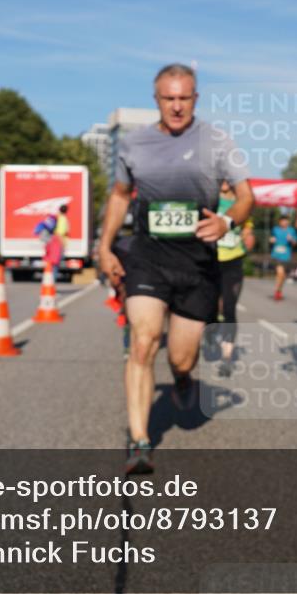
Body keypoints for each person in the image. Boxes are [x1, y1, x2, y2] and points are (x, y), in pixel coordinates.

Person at [97, 63, 253, 475]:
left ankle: (184, 379)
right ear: (157, 100)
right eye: (170, 98)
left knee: (182, 358)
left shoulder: (217, 142)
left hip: (198, 264)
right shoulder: (134, 144)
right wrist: (105, 245)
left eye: (185, 98)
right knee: (144, 341)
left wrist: (227, 222)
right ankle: (140, 440)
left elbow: (245, 196)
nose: (177, 106)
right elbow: (118, 195)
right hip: (148, 258)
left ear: (196, 98)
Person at [215, 181, 256, 374]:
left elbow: (248, 228)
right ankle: (211, 331)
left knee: (229, 308)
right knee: (211, 306)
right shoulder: (210, 199)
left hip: (233, 259)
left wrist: (247, 236)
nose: (223, 182)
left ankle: (226, 357)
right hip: (211, 260)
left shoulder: (243, 202)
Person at [269, 215, 297, 301]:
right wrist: (271, 240)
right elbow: (271, 238)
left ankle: (279, 290)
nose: (284, 222)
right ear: (279, 222)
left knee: (283, 275)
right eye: (282, 221)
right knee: (280, 272)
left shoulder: (291, 231)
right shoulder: (275, 229)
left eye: (286, 221)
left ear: (288, 222)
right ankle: (277, 291)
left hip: (286, 254)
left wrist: (291, 239)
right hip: (276, 254)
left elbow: (295, 243)